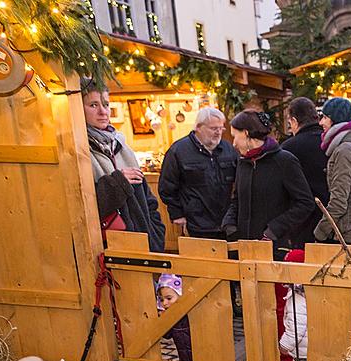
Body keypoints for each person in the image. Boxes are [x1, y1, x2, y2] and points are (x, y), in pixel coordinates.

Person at [82, 81, 165, 252]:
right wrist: (118, 182)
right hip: (111, 251)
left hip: (144, 246)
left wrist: (156, 233)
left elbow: (148, 200)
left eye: (105, 104)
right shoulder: (80, 152)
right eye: (93, 105)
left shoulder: (121, 146)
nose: (103, 112)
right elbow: (84, 209)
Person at [221, 110, 315, 256]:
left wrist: (274, 230)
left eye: (235, 137)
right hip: (242, 248)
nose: (233, 143)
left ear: (246, 133)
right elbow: (237, 199)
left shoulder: (285, 161)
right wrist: (229, 224)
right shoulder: (242, 162)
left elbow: (305, 203)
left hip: (274, 249)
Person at [159, 107, 238, 239]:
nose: (218, 132)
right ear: (198, 127)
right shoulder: (178, 151)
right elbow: (167, 187)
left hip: (227, 223)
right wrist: (177, 214)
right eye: (214, 128)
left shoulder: (228, 149)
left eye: (221, 128)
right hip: (197, 223)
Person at [313, 97, 351, 266]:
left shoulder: (344, 151)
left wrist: (320, 231)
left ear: (336, 119)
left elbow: (339, 201)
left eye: (325, 117)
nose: (321, 122)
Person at [281, 97, 328, 246]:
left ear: (294, 121)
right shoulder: (330, 142)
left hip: (303, 221)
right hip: (334, 218)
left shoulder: (289, 148)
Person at [156, 274, 191, 361]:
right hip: (185, 360)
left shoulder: (191, 314)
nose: (164, 303)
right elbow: (167, 335)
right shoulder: (172, 316)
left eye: (169, 298)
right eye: (161, 300)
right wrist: (163, 320)